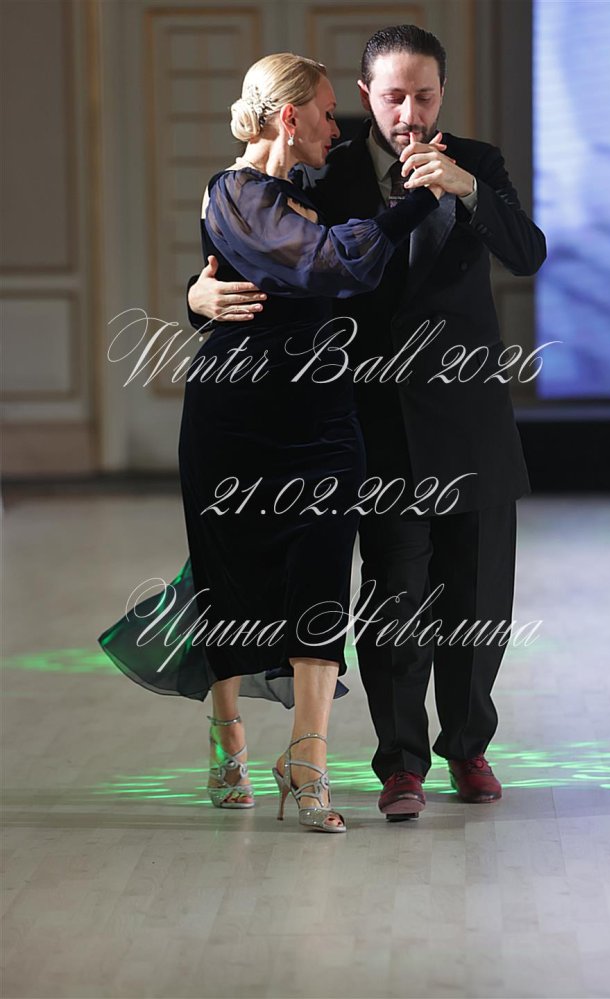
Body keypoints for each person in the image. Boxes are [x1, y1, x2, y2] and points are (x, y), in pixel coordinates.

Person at [187, 25, 547, 820]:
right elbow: (255, 248)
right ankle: (400, 764)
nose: (409, 112)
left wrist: (467, 190)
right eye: (393, 96)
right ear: (364, 96)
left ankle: (469, 747)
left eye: (424, 95)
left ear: (443, 92)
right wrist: (194, 296)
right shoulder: (326, 163)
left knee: (479, 597)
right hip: (369, 415)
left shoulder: (478, 161)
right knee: (393, 598)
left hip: (469, 415)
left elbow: (528, 253)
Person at [99, 51, 447, 834]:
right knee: (230, 578)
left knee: (323, 576)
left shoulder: (314, 188)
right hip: (235, 415)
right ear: (289, 116)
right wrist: (195, 296)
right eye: (326, 112)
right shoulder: (233, 191)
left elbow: (327, 262)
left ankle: (308, 760)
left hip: (323, 416)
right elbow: (331, 262)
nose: (338, 128)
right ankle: (227, 737)